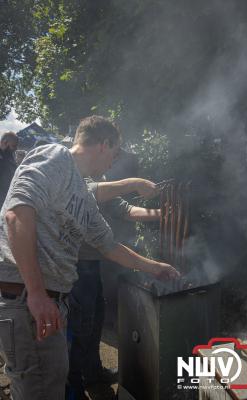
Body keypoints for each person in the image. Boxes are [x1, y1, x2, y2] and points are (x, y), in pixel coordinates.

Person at [0, 115, 179, 400]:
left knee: (50, 386)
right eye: (115, 153)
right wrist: (35, 292)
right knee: (39, 390)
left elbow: (109, 246)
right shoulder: (55, 156)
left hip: (50, 302)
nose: (113, 162)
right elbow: (16, 212)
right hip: (28, 300)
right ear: (104, 144)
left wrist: (155, 267)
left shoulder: (83, 193)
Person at [68, 190, 161, 399]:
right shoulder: (77, 174)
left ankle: (93, 373)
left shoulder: (100, 176)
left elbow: (126, 210)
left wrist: (161, 213)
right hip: (75, 265)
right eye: (112, 155)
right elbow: (91, 189)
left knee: (95, 321)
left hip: (92, 264)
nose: (113, 160)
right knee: (80, 328)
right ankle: (73, 388)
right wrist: (135, 183)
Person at [0, 131, 18, 209]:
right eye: (14, 146)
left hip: (7, 198)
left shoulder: (10, 156)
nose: (15, 149)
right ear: (5, 142)